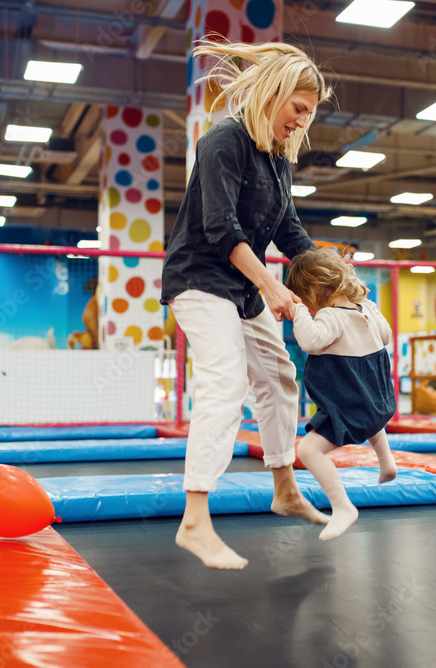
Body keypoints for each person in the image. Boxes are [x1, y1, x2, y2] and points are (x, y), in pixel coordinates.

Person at [160, 40, 333, 570]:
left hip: (240, 286)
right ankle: (193, 521)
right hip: (198, 276)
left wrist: (339, 283)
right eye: (298, 108)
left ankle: (284, 488)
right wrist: (275, 288)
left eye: (310, 113)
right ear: (273, 93)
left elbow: (290, 232)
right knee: (226, 380)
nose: (302, 121)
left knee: (280, 377)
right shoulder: (223, 142)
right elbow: (221, 229)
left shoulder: (278, 160)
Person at [285, 247, 398, 540]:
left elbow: (310, 341)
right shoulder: (367, 310)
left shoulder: (331, 317)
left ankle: (342, 506)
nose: (307, 308)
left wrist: (298, 312)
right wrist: (367, 310)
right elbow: (386, 335)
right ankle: (387, 463)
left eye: (305, 300)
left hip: (350, 403)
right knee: (371, 421)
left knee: (307, 450)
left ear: (316, 290)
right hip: (379, 401)